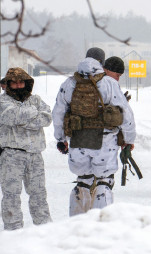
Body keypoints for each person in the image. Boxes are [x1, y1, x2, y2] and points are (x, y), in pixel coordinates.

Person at [52, 47, 136, 215]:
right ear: (102, 63)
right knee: (104, 182)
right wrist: (129, 139)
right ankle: (101, 224)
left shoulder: (69, 83)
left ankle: (76, 223)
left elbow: (58, 113)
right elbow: (126, 114)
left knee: (83, 182)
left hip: (78, 140)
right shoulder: (109, 83)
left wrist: (61, 139)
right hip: (104, 141)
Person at [0, 67, 53, 230]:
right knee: (11, 194)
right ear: (8, 84)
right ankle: (13, 228)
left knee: (39, 193)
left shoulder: (36, 100)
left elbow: (47, 118)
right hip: (12, 155)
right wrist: (31, 115)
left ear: (27, 83)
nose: (18, 85)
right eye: (14, 83)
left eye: (21, 82)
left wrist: (22, 119)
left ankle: (44, 226)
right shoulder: (3, 102)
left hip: (35, 155)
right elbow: (10, 116)